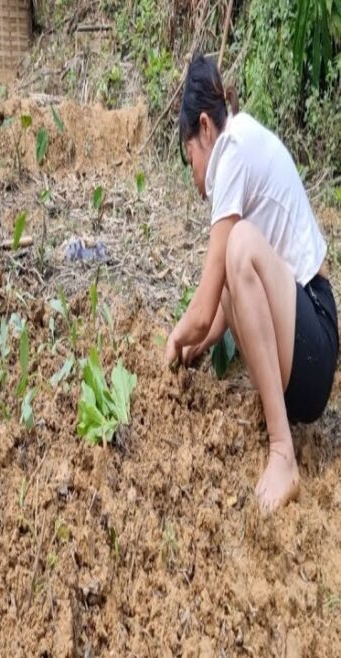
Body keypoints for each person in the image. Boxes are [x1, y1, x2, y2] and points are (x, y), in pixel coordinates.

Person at [164, 51, 337, 514]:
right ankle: (280, 435)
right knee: (231, 253)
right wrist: (198, 344)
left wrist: (173, 341)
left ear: (205, 128)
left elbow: (202, 311)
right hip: (301, 339)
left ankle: (283, 451)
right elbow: (219, 305)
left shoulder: (234, 148)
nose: (196, 178)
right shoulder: (239, 144)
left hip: (314, 338)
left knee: (237, 243)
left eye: (190, 159)